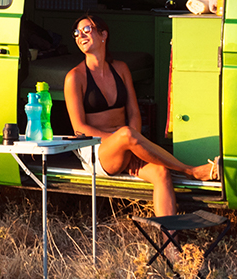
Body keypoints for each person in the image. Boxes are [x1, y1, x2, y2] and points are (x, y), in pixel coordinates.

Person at [63, 14, 219, 217]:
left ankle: (169, 243)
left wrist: (132, 146)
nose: (80, 35)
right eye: (76, 33)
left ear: (103, 35)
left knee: (161, 174)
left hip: (128, 144)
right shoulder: (75, 77)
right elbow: (79, 128)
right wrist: (125, 142)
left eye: (87, 29)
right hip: (96, 150)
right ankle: (190, 170)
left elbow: (134, 112)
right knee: (126, 134)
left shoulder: (120, 69)